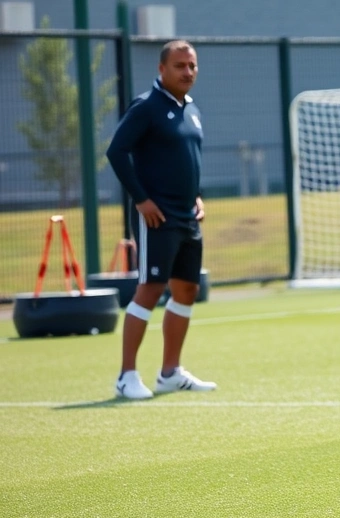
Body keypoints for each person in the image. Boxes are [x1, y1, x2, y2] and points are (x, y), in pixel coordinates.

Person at [105, 40, 216, 400]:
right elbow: (116, 151)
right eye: (180, 66)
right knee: (150, 291)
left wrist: (196, 197)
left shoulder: (192, 109)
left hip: (188, 217)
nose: (188, 72)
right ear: (161, 69)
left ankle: (170, 372)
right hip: (158, 219)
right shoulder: (146, 107)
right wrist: (142, 200)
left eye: (193, 66)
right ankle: (126, 376)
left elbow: (184, 161)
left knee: (186, 290)